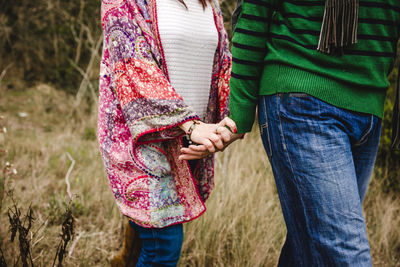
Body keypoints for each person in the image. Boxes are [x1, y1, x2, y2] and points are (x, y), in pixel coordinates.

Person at [182, 0, 400, 266]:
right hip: (302, 100)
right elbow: (256, 12)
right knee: (346, 255)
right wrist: (239, 116)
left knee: (308, 247)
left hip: (369, 104)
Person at [97, 0, 235, 265]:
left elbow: (224, 63)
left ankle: (126, 259)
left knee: (150, 230)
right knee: (163, 248)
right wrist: (191, 125)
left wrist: (226, 128)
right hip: (142, 140)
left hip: (191, 140)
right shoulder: (123, 2)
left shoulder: (211, 4)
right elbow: (134, 68)